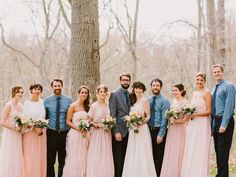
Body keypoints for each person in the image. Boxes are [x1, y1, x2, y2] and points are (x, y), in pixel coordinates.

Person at [122, 81, 157, 177]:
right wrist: (132, 122)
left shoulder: (145, 100)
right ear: (134, 89)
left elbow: (148, 116)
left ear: (143, 90)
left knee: (142, 150)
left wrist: (140, 123)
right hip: (133, 129)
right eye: (136, 88)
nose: (138, 90)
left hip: (142, 129)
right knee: (133, 150)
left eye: (140, 88)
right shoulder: (131, 100)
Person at [181, 73, 212, 177]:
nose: (199, 82)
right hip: (193, 123)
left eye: (201, 80)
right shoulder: (194, 93)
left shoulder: (207, 93)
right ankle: (190, 171)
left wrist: (196, 114)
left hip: (202, 123)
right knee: (191, 146)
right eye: (197, 79)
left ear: (205, 81)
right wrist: (188, 113)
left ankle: (200, 172)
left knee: (200, 147)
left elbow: (209, 111)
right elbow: (191, 107)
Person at [44, 79, 73, 177]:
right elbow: (44, 116)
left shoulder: (69, 100)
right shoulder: (47, 101)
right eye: (55, 86)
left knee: (63, 159)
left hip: (64, 134)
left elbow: (71, 116)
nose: (57, 88)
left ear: (62, 86)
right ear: (52, 87)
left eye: (59, 86)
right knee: (50, 160)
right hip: (51, 133)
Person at [211, 64, 235, 177]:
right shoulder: (214, 88)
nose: (216, 73)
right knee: (217, 150)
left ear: (223, 72)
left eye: (218, 71)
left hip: (225, 121)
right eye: (214, 72)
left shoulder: (229, 86)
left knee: (223, 152)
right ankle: (220, 174)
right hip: (216, 122)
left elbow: (229, 106)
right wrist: (212, 126)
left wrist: (224, 124)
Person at [160, 83, 188, 177]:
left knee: (179, 150)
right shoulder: (173, 101)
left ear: (181, 91)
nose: (174, 92)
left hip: (180, 129)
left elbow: (185, 120)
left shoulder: (185, 103)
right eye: (173, 90)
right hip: (172, 130)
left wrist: (174, 121)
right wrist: (170, 118)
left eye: (176, 90)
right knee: (171, 150)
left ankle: (178, 173)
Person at [87, 85, 114, 177]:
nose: (102, 93)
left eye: (104, 92)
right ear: (97, 93)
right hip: (97, 133)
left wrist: (109, 123)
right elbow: (89, 120)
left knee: (106, 154)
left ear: (107, 93)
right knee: (96, 153)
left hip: (107, 133)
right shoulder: (94, 106)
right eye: (101, 92)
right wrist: (96, 125)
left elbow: (112, 118)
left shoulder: (109, 105)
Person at [63, 85, 90, 177]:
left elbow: (90, 120)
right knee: (74, 155)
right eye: (82, 92)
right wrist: (78, 128)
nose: (84, 94)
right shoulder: (73, 106)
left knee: (84, 155)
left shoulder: (89, 106)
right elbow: (67, 121)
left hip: (85, 134)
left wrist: (87, 127)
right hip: (75, 134)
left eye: (86, 93)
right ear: (78, 93)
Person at [109, 73, 131, 177]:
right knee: (118, 159)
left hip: (130, 132)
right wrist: (116, 131)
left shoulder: (130, 94)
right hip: (119, 132)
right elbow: (112, 115)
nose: (126, 82)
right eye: (124, 80)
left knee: (126, 158)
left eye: (127, 80)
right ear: (120, 81)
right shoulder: (114, 94)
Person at [22, 83, 46, 177]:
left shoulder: (43, 102)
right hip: (30, 132)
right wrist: (34, 127)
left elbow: (43, 116)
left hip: (41, 132)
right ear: (31, 90)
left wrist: (40, 127)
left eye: (39, 89)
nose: (37, 91)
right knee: (30, 156)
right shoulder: (26, 103)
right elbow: (26, 118)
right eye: (35, 89)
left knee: (39, 155)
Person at [0, 86, 24, 177]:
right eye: (19, 92)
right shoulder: (9, 105)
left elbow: (23, 120)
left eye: (22, 92)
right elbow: (2, 122)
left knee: (17, 155)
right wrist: (14, 128)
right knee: (9, 154)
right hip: (10, 134)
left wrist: (22, 127)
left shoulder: (21, 106)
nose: (21, 94)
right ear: (14, 92)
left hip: (18, 135)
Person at [148, 78, 170, 177]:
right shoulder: (148, 100)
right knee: (150, 155)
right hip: (148, 131)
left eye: (157, 85)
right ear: (151, 87)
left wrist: (161, 134)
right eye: (154, 85)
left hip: (158, 131)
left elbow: (165, 119)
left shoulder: (165, 101)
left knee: (159, 156)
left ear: (161, 87)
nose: (155, 87)